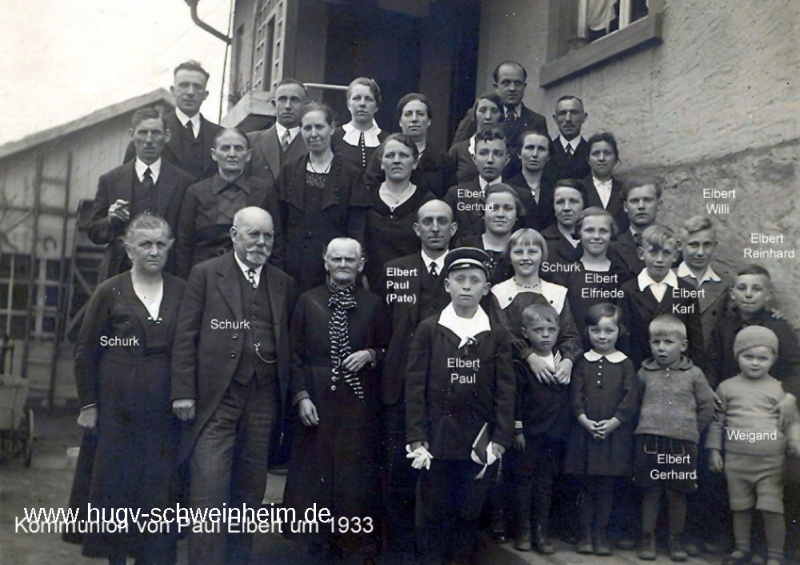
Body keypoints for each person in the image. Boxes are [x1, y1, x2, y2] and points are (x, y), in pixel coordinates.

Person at [171, 207, 296, 565]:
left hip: (263, 399)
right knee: (208, 490)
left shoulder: (282, 282)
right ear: (234, 235)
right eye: (253, 234)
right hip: (217, 398)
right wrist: (183, 391)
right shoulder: (206, 275)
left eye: (267, 236)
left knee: (249, 493)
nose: (260, 242)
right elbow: (185, 336)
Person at [72, 213, 184, 565]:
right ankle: (116, 558)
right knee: (116, 486)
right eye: (145, 244)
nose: (153, 251)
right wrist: (89, 405)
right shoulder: (110, 290)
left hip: (163, 409)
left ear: (170, 247)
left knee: (157, 489)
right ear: (129, 249)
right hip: (116, 406)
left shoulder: (183, 291)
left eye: (160, 244)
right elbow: (86, 350)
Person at [405, 247, 515, 565]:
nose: (466, 286)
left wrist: (499, 438)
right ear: (447, 285)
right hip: (435, 439)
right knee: (432, 512)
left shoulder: (495, 335)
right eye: (459, 279)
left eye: (475, 280)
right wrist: (416, 435)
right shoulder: (430, 328)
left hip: (477, 439)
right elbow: (414, 386)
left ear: (486, 288)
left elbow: (506, 391)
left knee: (468, 513)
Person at [284, 237, 388, 561]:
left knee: (353, 472)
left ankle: (350, 544)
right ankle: (316, 544)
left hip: (358, 404)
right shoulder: (307, 301)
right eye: (337, 259)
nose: (343, 265)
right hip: (316, 400)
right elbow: (294, 355)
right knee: (315, 472)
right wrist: (301, 396)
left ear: (361, 264)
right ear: (325, 262)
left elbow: (389, 349)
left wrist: (370, 354)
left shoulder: (374, 304)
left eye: (350, 259)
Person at [380, 199, 457, 561]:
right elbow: (383, 328)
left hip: (449, 390)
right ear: (417, 229)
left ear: (453, 229)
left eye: (443, 222)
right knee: (400, 477)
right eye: (428, 222)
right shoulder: (396, 270)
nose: (436, 228)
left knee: (442, 480)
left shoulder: (464, 274)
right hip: (402, 389)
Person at [707, 326, 800, 565]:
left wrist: (793, 440)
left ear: (774, 359)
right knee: (740, 507)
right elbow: (717, 421)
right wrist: (714, 450)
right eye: (748, 357)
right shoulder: (726, 387)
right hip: (736, 460)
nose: (755, 363)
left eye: (763, 358)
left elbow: (791, 421)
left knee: (772, 508)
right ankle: (741, 548)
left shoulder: (779, 389)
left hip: (771, 462)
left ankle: (775, 556)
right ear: (737, 356)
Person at [633, 315, 716, 562]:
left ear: (683, 345)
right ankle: (648, 538)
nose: (660, 348)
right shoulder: (644, 372)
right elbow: (635, 404)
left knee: (677, 493)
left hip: (682, 444)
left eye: (668, 342)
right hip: (648, 441)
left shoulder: (694, 374)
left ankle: (675, 539)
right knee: (650, 491)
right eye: (655, 342)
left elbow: (706, 406)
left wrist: (691, 431)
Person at [86, 107, 195, 280]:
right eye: (143, 132)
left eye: (156, 133)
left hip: (168, 274)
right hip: (120, 273)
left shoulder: (184, 182)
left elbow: (187, 238)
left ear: (167, 136)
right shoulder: (110, 180)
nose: (149, 140)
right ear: (132, 135)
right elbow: (93, 232)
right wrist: (110, 220)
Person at [565, 303, 638, 556]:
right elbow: (575, 395)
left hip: (612, 437)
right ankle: (584, 534)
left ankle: (600, 534)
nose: (603, 336)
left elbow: (630, 399)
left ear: (620, 331)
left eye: (609, 330)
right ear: (587, 332)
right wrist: (584, 421)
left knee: (606, 488)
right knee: (586, 487)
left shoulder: (626, 364)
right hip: (584, 434)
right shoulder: (582, 362)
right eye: (596, 331)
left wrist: (613, 423)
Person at [278, 102, 371, 292]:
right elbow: (278, 222)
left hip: (335, 271)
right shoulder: (289, 171)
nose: (313, 134)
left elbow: (357, 230)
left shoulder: (350, 174)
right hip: (292, 268)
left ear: (332, 129)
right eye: (307, 128)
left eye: (319, 127)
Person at [174, 128, 282, 278]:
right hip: (206, 278)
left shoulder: (263, 190)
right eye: (225, 148)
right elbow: (183, 245)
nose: (232, 154)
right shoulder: (196, 192)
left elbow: (276, 242)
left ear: (248, 155)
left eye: (238, 148)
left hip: (252, 276)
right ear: (214, 154)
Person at [510, 303, 572, 555]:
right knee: (524, 482)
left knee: (546, 483)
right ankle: (523, 529)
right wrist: (517, 430)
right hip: (529, 435)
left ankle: (541, 530)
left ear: (558, 331)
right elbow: (515, 399)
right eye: (538, 330)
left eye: (550, 329)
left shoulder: (563, 362)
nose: (545, 335)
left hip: (554, 435)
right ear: (525, 333)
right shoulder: (522, 364)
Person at [707, 264, 800, 399]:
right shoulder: (724, 327)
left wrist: (791, 396)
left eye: (756, 289)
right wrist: (711, 391)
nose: (748, 295)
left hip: (767, 401)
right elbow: (712, 366)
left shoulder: (778, 327)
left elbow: (796, 366)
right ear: (733, 294)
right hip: (731, 400)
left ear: (768, 295)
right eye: (742, 288)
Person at [618, 224, 704, 368]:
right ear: (641, 253)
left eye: (666, 253)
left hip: (678, 371)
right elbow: (624, 338)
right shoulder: (628, 290)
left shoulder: (686, 290)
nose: (659, 259)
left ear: (675, 256)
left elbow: (695, 339)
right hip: (640, 368)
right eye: (653, 252)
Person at [124, 61, 222, 179]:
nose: (190, 92)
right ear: (173, 90)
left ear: (205, 95)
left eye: (197, 86)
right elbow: (127, 178)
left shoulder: (220, 135)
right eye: (184, 85)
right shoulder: (151, 131)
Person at [364, 133, 435, 292]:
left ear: (415, 162)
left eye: (403, 155)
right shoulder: (366, 197)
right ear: (381, 163)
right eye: (390, 155)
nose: (396, 160)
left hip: (413, 285)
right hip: (371, 285)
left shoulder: (426, 201)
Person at [559, 207, 630, 345]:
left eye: (603, 231)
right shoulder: (566, 273)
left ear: (611, 234)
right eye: (589, 230)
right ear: (579, 233)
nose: (596, 236)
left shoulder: (622, 274)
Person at [365, 92, 455, 198]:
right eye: (408, 114)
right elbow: (371, 188)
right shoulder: (384, 153)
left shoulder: (442, 159)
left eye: (420, 114)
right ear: (400, 121)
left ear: (429, 120)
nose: (414, 119)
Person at [451, 61, 548, 154]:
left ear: (524, 86)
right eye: (506, 83)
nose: (512, 89)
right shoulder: (476, 116)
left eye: (517, 83)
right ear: (496, 87)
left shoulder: (537, 121)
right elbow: (458, 152)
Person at [444, 128, 509, 242]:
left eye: (497, 154)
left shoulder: (519, 196)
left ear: (506, 160)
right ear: (474, 159)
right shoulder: (456, 195)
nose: (490, 160)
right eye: (483, 153)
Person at [675, 215, 731, 347]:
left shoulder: (725, 283)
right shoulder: (668, 279)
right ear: (679, 245)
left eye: (707, 245)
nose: (701, 253)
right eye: (693, 245)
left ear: (714, 246)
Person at [247, 78, 309, 184]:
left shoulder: (313, 143)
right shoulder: (251, 141)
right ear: (274, 104)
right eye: (282, 99)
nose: (288, 106)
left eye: (294, 100)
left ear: (305, 106)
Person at [460, 184, 523, 285]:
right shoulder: (466, 246)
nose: (500, 214)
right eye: (494, 208)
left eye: (508, 208)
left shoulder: (524, 251)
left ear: (517, 214)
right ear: (483, 212)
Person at [331, 77, 387, 172]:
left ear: (376, 106)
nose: (362, 104)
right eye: (356, 98)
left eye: (368, 99)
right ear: (349, 104)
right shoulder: (334, 137)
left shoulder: (386, 140)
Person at [611, 178, 662, 281]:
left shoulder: (672, 243)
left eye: (647, 200)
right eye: (634, 201)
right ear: (625, 207)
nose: (641, 206)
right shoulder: (613, 247)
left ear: (659, 204)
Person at [448, 93, 505, 184]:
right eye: (482, 110)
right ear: (475, 114)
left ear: (501, 116)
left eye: (494, 111)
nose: (488, 117)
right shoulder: (458, 150)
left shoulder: (506, 150)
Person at [506, 130, 556, 231]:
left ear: (548, 157)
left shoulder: (554, 188)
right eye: (530, 148)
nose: (535, 154)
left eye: (541, 149)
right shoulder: (508, 188)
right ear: (519, 153)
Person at [581, 132, 628, 234]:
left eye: (607, 153)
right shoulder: (579, 188)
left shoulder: (624, 189)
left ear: (615, 159)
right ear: (588, 159)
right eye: (596, 153)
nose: (601, 158)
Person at [540, 179, 587, 276]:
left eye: (573, 201)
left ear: (584, 205)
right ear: (553, 206)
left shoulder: (595, 239)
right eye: (560, 202)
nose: (567, 208)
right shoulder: (542, 242)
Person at [549, 96, 590, 182]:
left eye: (574, 113)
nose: (568, 119)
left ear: (584, 117)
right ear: (555, 119)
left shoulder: (591, 152)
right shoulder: (547, 151)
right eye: (562, 113)